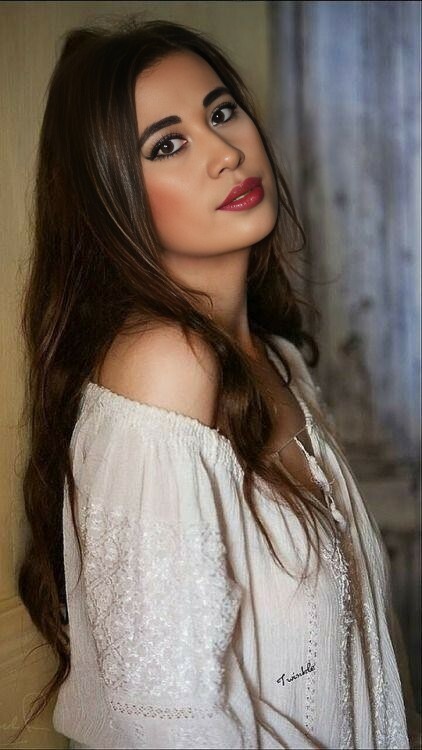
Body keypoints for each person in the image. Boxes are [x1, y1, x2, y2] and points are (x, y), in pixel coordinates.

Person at [14, 18, 420, 750]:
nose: (226, 153)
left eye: (222, 111)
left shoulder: (279, 361)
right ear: (111, 199)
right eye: (167, 145)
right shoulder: (165, 365)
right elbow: (163, 723)